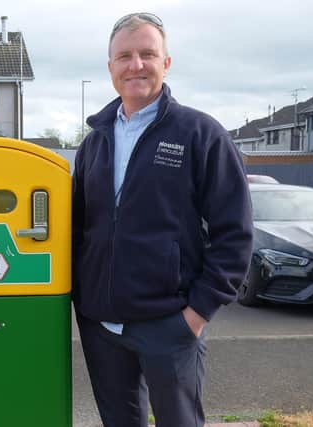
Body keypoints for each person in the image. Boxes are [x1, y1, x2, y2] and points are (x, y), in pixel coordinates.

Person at [72, 13, 253, 427]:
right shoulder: (94, 141)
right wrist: (83, 300)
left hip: (169, 324)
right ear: (110, 68)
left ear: (165, 63)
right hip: (102, 326)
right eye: (124, 56)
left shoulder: (201, 134)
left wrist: (196, 313)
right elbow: (80, 228)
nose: (135, 65)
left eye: (147, 54)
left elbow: (236, 234)